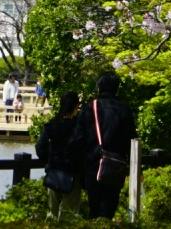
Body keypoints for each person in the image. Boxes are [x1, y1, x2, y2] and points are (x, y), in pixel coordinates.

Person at [73, 72, 134, 221]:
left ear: (99, 88)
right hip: (116, 165)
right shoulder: (124, 109)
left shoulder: (89, 108)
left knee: (94, 209)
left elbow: (78, 139)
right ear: (117, 89)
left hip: (93, 164)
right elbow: (131, 140)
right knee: (109, 208)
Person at [35, 90, 82, 222]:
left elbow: (40, 148)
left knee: (52, 214)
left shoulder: (52, 125)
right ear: (76, 106)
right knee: (69, 215)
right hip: (73, 174)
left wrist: (49, 160)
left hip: (54, 172)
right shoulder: (79, 127)